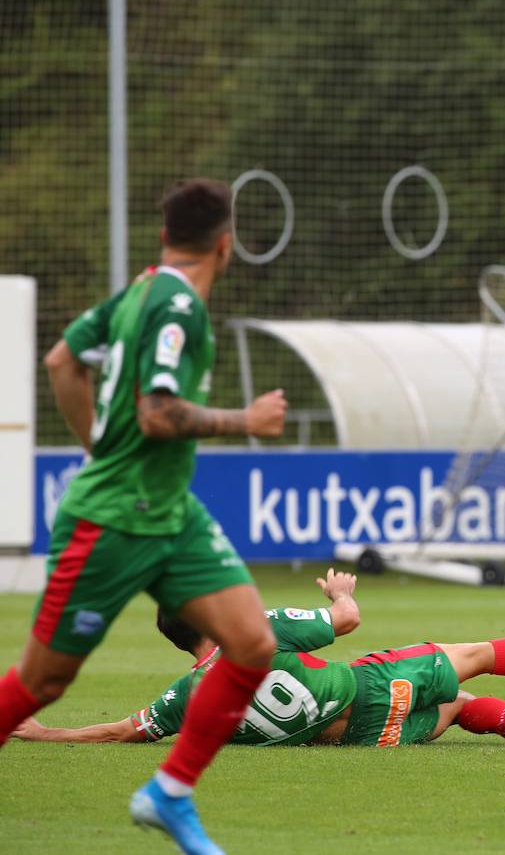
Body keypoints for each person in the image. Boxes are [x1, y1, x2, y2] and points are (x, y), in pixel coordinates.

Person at [0, 179, 290, 854]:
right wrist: (246, 420)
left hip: (170, 513)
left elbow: (63, 360)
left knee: (251, 643)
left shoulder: (140, 290)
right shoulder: (178, 306)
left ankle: (169, 792)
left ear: (165, 238)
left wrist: (97, 447)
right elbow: (160, 414)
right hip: (112, 520)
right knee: (43, 682)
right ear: (227, 245)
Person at [10, 569, 505, 747]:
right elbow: (349, 621)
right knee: (477, 654)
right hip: (370, 686)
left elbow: (122, 731)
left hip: (354, 738)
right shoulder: (258, 634)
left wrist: (42, 733)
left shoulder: (183, 696)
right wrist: (341, 593)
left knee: (459, 710)